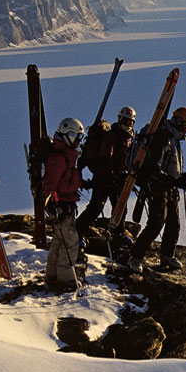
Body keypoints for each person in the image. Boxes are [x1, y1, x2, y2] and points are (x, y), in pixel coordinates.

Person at [126, 106, 186, 273]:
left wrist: (185, 178)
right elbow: (154, 168)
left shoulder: (174, 139)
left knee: (174, 224)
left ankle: (167, 255)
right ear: (177, 122)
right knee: (156, 223)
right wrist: (176, 180)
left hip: (169, 187)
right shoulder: (163, 138)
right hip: (157, 187)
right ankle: (135, 257)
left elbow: (171, 166)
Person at [76, 105, 137, 238]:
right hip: (105, 178)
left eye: (130, 122)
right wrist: (111, 175)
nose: (128, 124)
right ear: (120, 119)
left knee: (120, 207)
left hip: (117, 178)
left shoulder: (128, 138)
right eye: (125, 121)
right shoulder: (112, 135)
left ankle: (118, 233)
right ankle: (77, 231)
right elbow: (106, 156)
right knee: (96, 207)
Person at [42, 117, 85, 292]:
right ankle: (65, 280)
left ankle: (52, 276)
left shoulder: (65, 155)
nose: (77, 141)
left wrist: (81, 184)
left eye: (79, 138)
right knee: (70, 242)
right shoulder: (58, 157)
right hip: (60, 205)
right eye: (75, 136)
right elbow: (50, 183)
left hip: (64, 203)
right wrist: (51, 204)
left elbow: (66, 179)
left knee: (59, 242)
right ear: (67, 134)